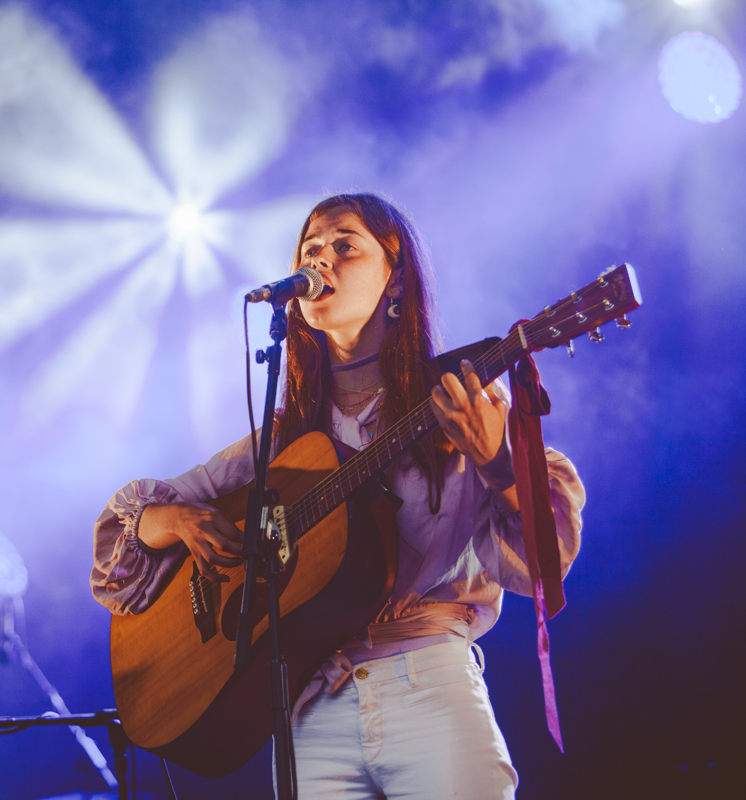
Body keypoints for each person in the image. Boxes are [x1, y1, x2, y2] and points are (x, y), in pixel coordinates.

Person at [91, 193, 584, 799]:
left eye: (345, 246)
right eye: (311, 250)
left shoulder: (461, 404)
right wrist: (176, 519)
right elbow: (122, 534)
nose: (322, 260)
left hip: (428, 684)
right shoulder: (281, 438)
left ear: (395, 275)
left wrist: (498, 464)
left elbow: (543, 568)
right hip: (309, 709)